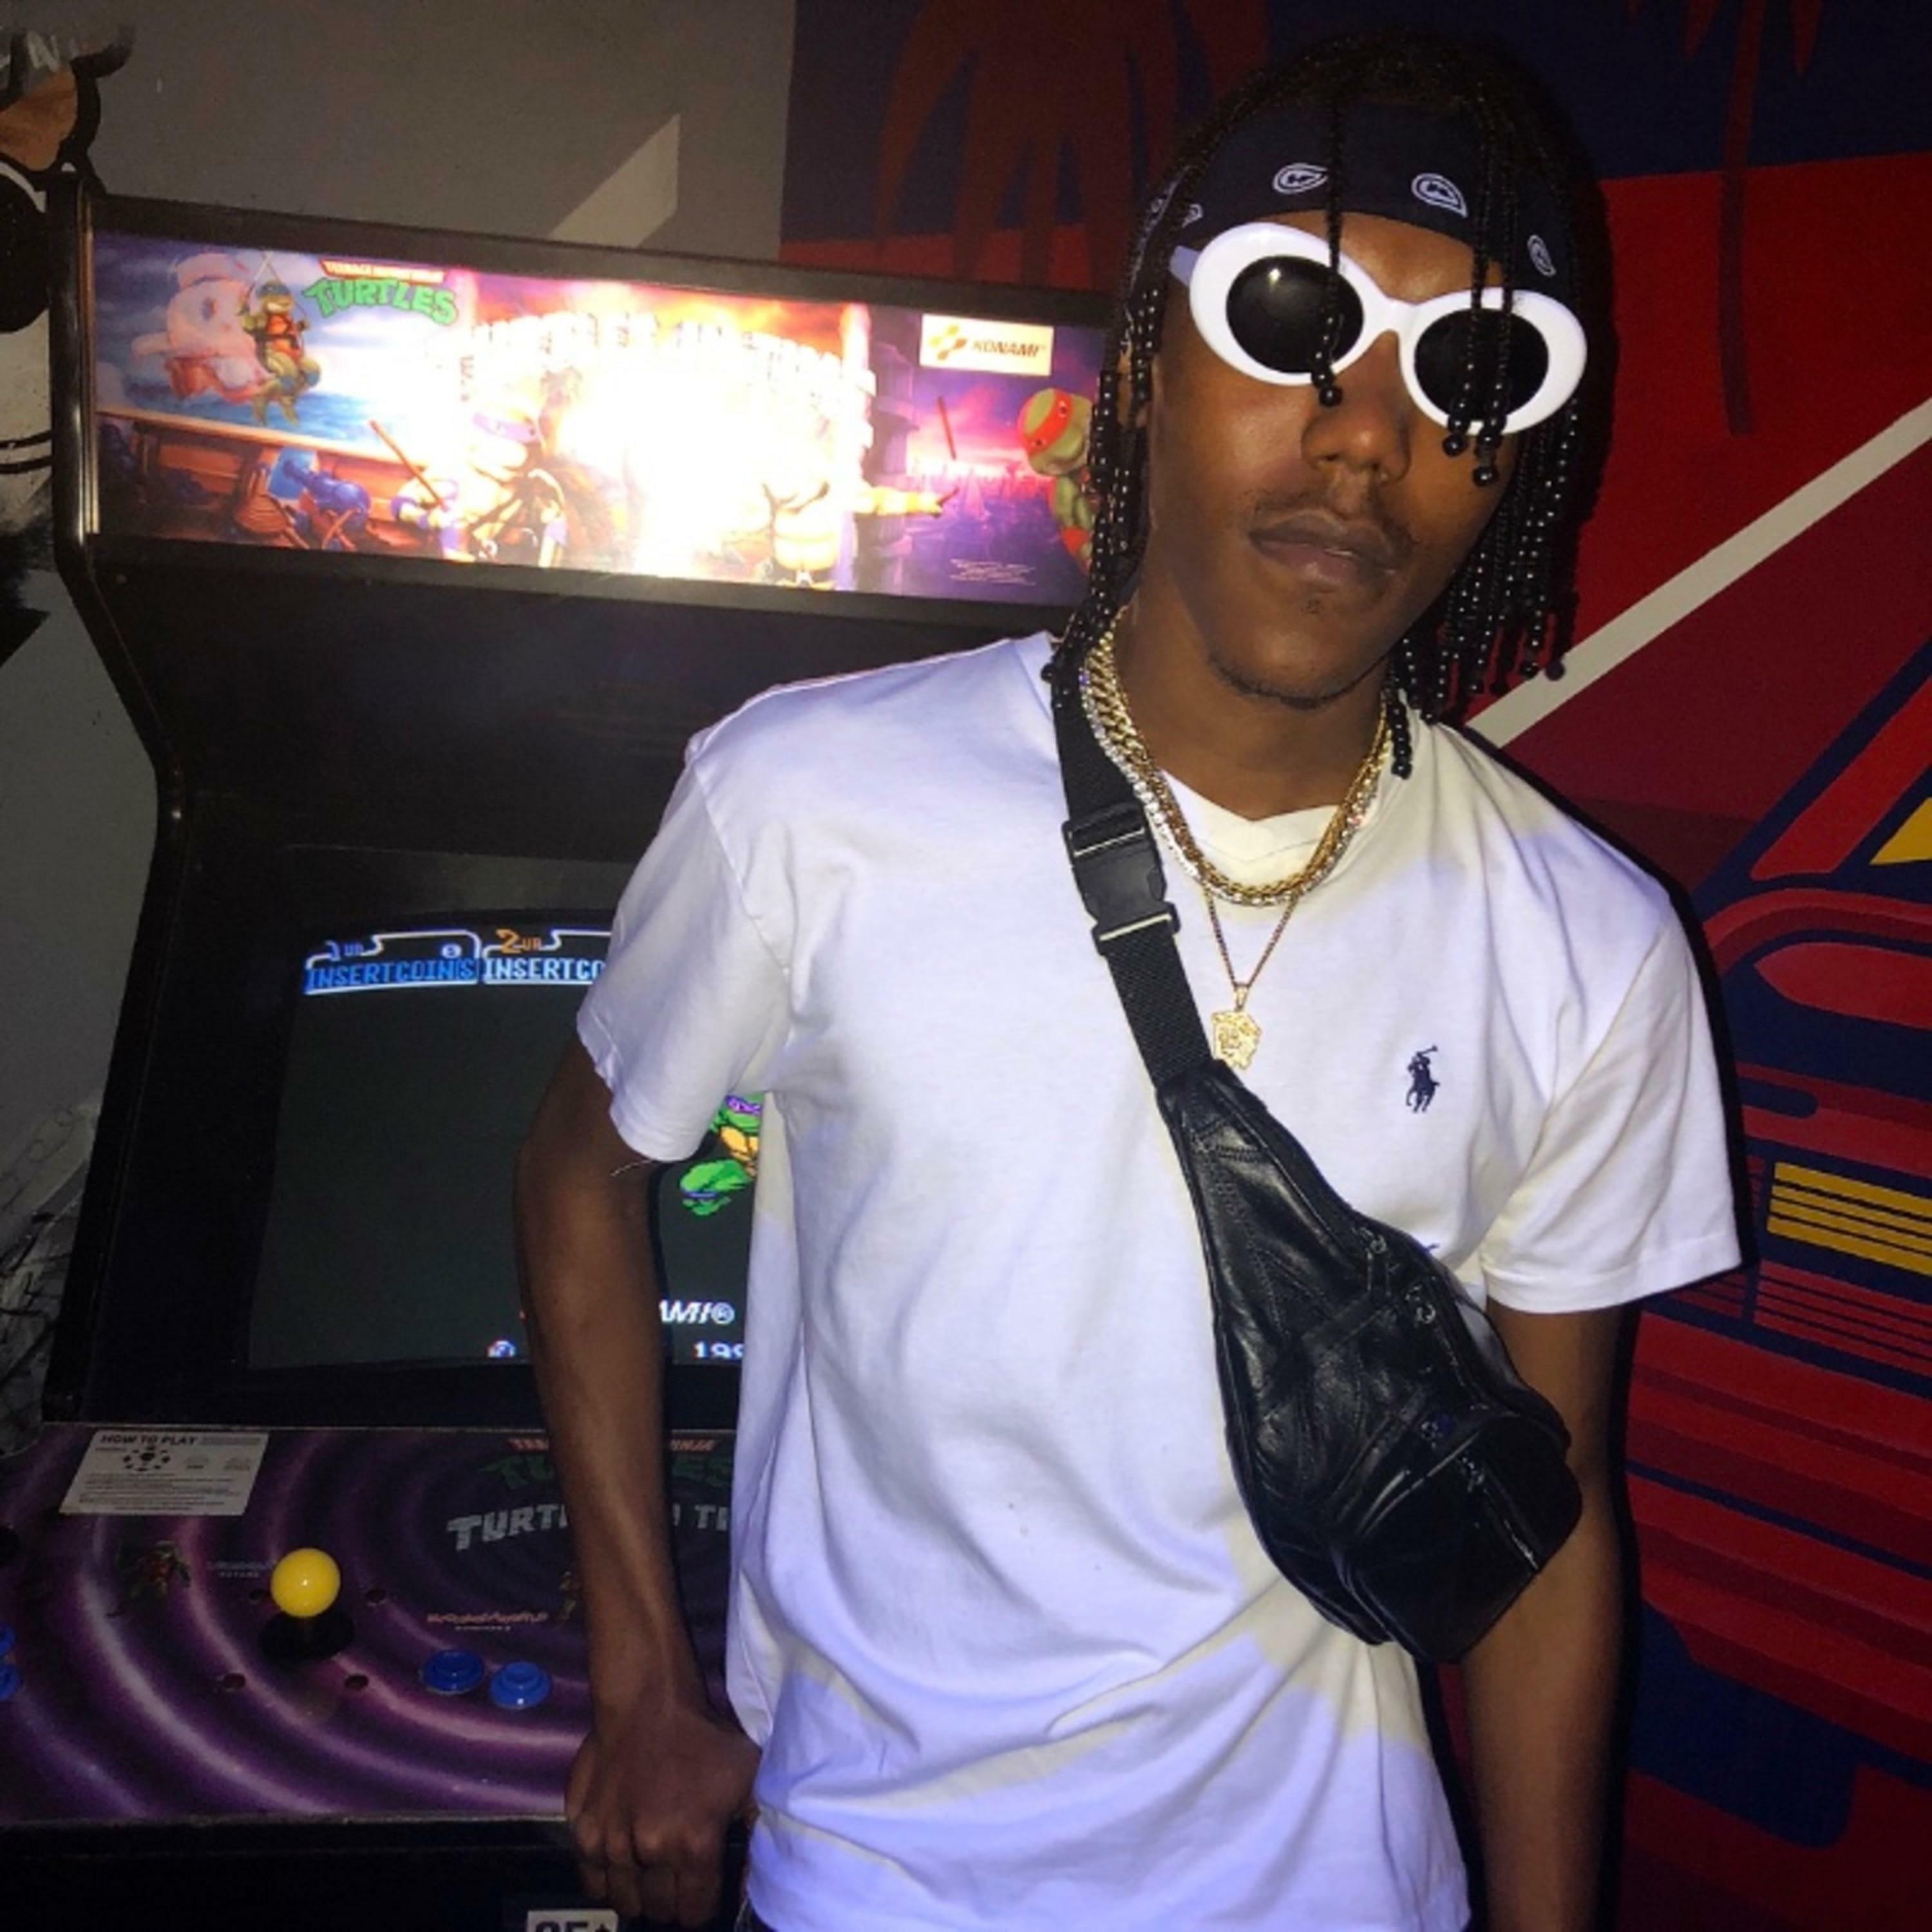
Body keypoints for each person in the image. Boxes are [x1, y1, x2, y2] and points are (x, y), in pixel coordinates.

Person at [516, 28, 1741, 1932]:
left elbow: (1546, 1529)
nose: (1367, 436)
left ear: (1512, 459)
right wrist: (640, 1677)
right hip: (883, 1885)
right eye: (1296, 323)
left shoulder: (1586, 942)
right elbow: (581, 1174)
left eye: (1470, 372)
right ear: (1154, 367)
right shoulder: (809, 800)